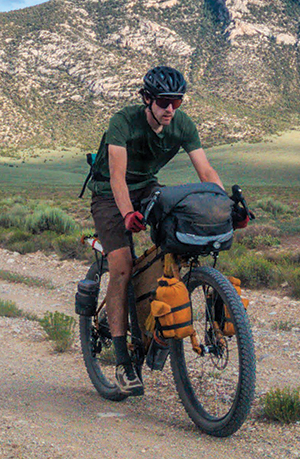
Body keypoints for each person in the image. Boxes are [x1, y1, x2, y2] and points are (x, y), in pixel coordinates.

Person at [86, 65, 222, 396]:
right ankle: (122, 362)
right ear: (147, 99)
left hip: (148, 188)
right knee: (121, 265)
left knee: (178, 239)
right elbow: (117, 176)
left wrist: (225, 205)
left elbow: (205, 171)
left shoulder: (181, 124)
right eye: (163, 101)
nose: (170, 109)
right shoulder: (124, 122)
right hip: (109, 194)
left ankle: (156, 320)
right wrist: (128, 213)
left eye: (176, 101)